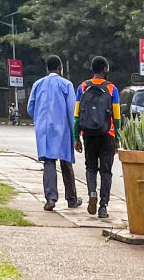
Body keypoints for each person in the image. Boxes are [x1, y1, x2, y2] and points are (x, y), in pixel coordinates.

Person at [26, 55, 82, 211]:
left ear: (47, 68)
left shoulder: (38, 84)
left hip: (44, 130)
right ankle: (71, 198)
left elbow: (30, 108)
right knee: (65, 162)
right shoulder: (66, 85)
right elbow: (72, 112)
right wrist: (76, 134)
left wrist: (40, 117)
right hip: (62, 129)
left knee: (49, 162)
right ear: (60, 68)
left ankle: (50, 198)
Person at [74, 56, 121, 219]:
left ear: (92, 70)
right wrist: (118, 139)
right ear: (105, 70)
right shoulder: (112, 89)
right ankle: (103, 206)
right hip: (107, 134)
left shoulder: (82, 87)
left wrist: (76, 137)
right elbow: (117, 117)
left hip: (88, 133)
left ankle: (92, 192)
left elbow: (76, 115)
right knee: (106, 171)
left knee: (91, 167)